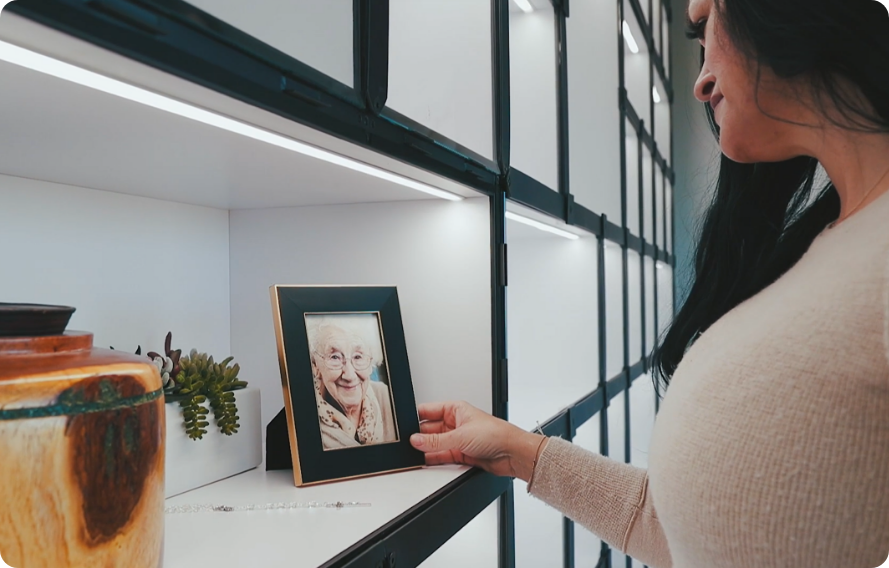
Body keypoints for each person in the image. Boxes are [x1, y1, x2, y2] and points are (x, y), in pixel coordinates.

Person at [410, 0, 889, 566]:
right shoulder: (831, 240)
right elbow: (689, 532)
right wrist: (523, 453)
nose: (702, 80)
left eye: (706, 30)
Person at [308, 320, 397, 450]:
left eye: (357, 357)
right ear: (315, 366)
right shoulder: (303, 418)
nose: (349, 375)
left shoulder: (389, 398)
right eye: (335, 357)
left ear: (370, 360)